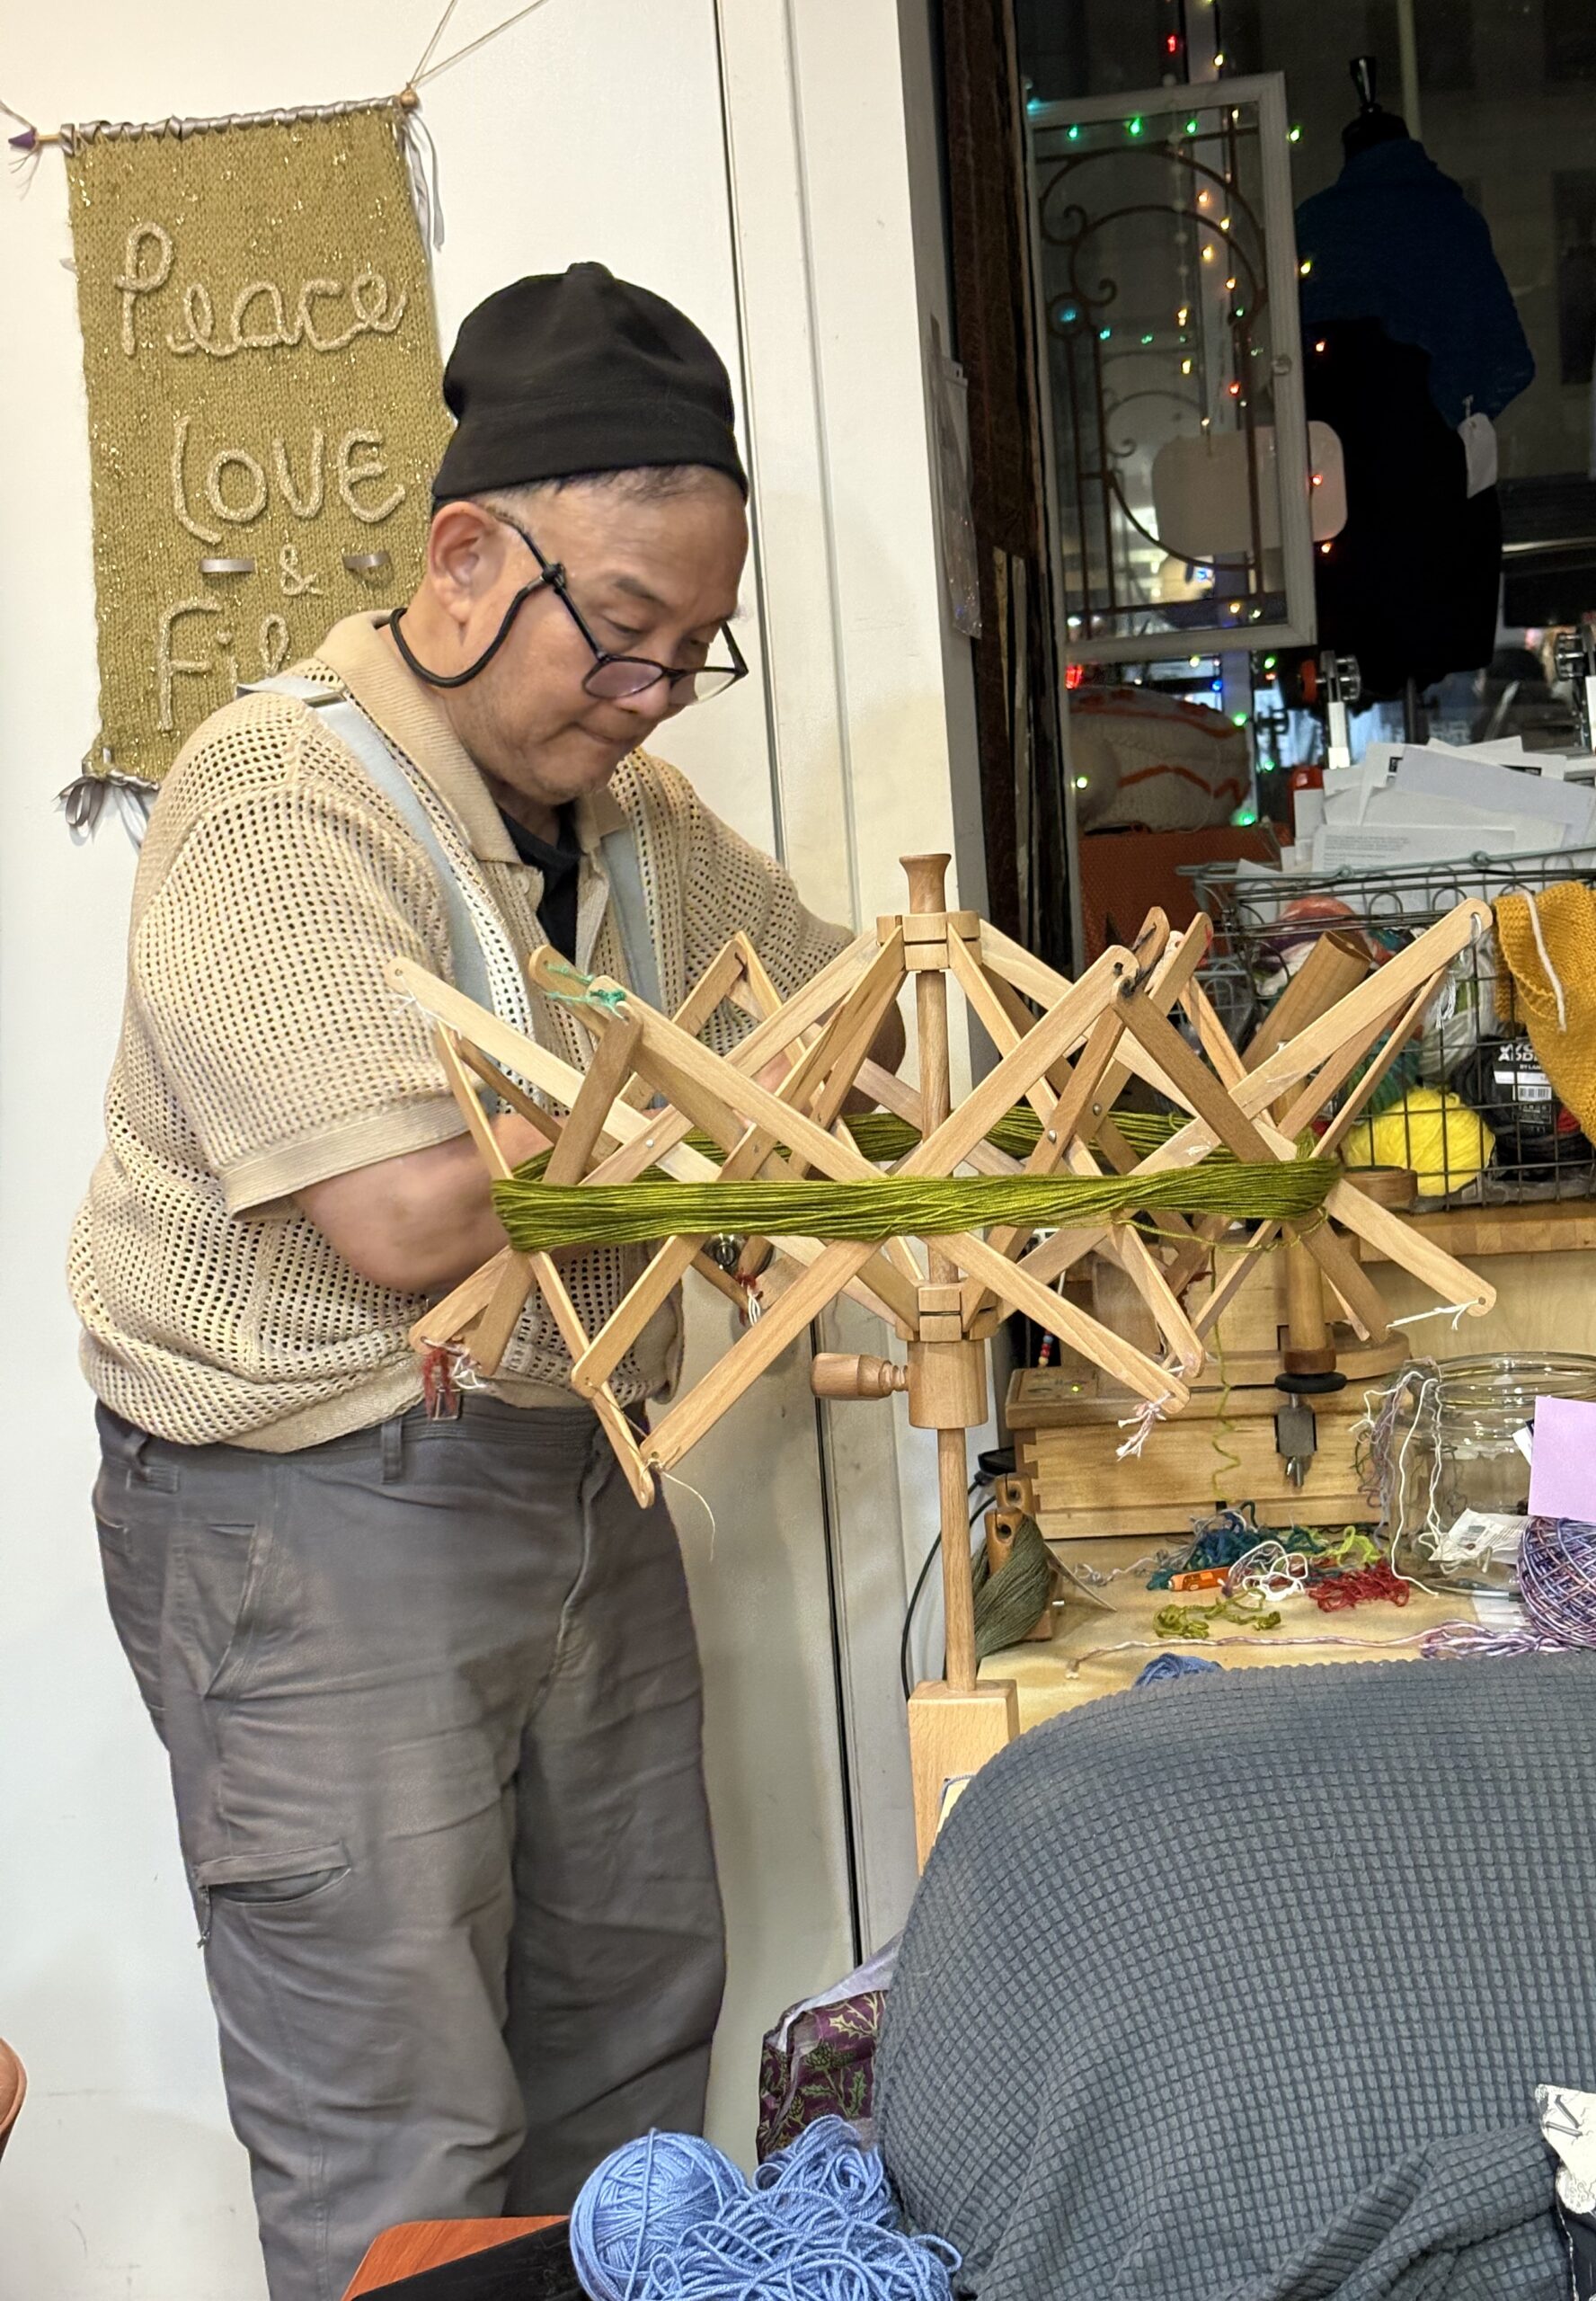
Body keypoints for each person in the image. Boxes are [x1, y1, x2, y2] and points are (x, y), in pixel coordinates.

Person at [70, 262, 902, 2301]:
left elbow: (843, 1037)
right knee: (406, 2142)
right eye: (620, 631)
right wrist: (717, 1111)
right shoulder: (280, 795)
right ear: (464, 563)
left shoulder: (634, 817)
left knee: (633, 2069)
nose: (652, 690)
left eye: (691, 652)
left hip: (572, 1461)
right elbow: (406, 1215)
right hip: (311, 1512)